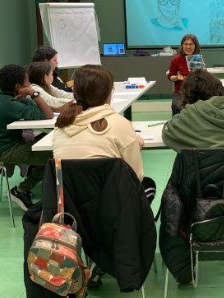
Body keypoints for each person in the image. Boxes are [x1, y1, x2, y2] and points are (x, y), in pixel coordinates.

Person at [52, 64, 156, 288]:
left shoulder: (61, 127)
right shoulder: (120, 125)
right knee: (148, 186)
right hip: (116, 215)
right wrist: (133, 144)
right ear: (109, 93)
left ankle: (97, 259)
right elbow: (135, 178)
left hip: (73, 215)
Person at [0, 64, 54, 211]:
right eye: (27, 81)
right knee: (54, 157)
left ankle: (25, 189)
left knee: (50, 150)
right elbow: (48, 115)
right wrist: (33, 93)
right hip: (5, 149)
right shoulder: (9, 104)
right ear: (18, 86)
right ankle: (21, 190)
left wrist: (29, 96)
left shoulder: (10, 98)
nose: (30, 84)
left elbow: (38, 110)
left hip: (14, 143)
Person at [167, 34, 201, 115]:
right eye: (185, 44)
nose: (188, 47)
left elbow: (203, 75)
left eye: (191, 44)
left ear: (195, 46)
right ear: (182, 45)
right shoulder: (176, 59)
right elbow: (170, 76)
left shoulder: (198, 59)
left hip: (197, 91)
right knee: (177, 106)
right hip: (181, 92)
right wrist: (176, 78)